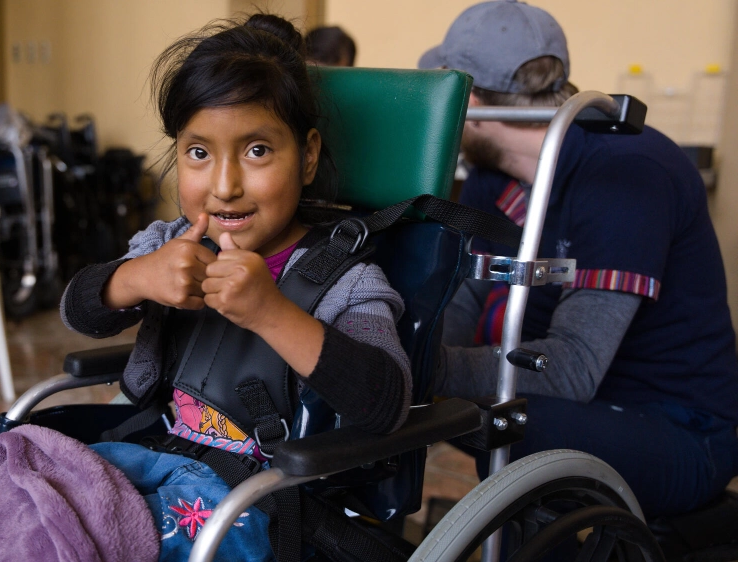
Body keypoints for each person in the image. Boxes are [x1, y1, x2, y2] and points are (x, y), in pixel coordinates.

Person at [62, 13, 410, 560]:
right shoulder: (168, 243)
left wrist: (271, 312)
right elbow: (80, 312)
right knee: (34, 482)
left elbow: (385, 400)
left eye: (257, 151)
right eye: (199, 153)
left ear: (309, 154)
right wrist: (137, 277)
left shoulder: (347, 279)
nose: (224, 187)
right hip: (155, 453)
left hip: (259, 499)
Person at [420, 0, 738, 521]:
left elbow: (574, 370)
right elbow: (466, 294)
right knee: (409, 411)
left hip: (676, 426)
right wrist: (409, 356)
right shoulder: (490, 174)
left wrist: (431, 369)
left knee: (515, 429)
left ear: (472, 100)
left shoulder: (629, 173)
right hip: (576, 409)